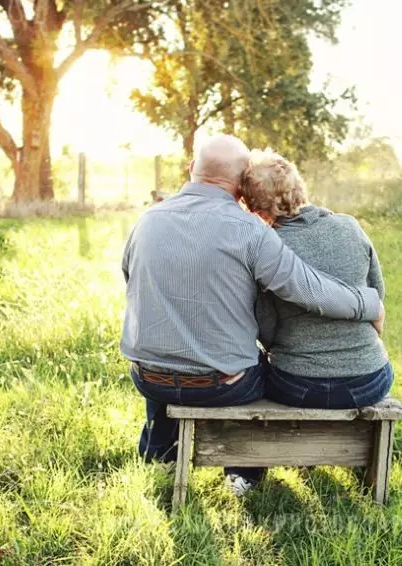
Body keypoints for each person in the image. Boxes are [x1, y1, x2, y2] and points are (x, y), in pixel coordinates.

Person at [121, 135, 384, 495]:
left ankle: (158, 453)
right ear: (240, 185)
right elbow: (309, 290)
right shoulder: (251, 233)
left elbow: (132, 286)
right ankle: (243, 470)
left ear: (190, 169)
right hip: (221, 386)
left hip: (148, 378)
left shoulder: (146, 222)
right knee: (262, 364)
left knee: (168, 355)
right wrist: (370, 304)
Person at [241, 147, 393, 410]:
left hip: (298, 385)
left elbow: (265, 326)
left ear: (255, 208)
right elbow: (376, 293)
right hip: (369, 380)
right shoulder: (350, 226)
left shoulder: (269, 248)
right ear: (299, 185)